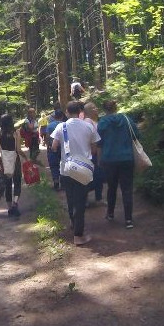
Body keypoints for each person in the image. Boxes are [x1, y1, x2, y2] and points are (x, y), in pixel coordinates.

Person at [51, 101, 100, 245]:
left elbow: (54, 147)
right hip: (83, 169)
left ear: (66, 112)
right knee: (80, 202)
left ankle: (74, 223)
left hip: (66, 169)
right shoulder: (89, 126)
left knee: (70, 199)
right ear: (80, 112)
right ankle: (78, 235)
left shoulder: (61, 126)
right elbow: (94, 149)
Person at [96, 99, 141, 228]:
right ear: (116, 107)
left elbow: (99, 143)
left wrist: (99, 160)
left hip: (109, 159)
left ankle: (110, 213)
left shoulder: (102, 122)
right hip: (127, 158)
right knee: (127, 189)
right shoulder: (126, 119)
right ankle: (128, 220)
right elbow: (136, 135)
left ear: (104, 109)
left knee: (111, 187)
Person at [0, 114, 27, 216]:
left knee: (7, 184)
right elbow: (18, 149)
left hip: (3, 161)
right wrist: (25, 157)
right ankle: (15, 203)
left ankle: (9, 208)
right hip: (15, 160)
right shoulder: (16, 133)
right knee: (17, 182)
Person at [82, 102, 104, 204]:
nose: (96, 109)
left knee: (98, 176)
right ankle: (85, 199)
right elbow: (89, 138)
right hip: (91, 153)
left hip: (97, 152)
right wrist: (93, 150)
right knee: (91, 176)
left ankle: (98, 198)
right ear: (88, 111)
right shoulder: (87, 121)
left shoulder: (95, 121)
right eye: (94, 108)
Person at [45, 108, 66, 192]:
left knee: (54, 165)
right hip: (63, 148)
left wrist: (48, 145)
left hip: (52, 147)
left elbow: (47, 137)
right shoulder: (65, 125)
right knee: (63, 164)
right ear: (62, 116)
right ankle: (63, 183)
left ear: (55, 117)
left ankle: (56, 182)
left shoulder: (50, 125)